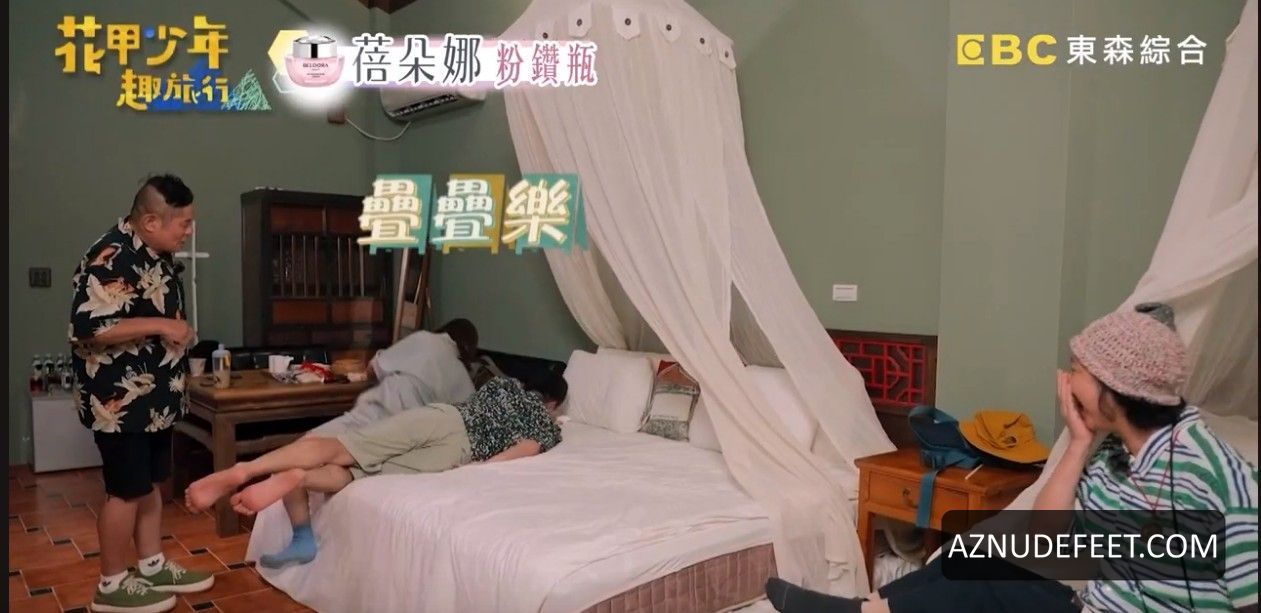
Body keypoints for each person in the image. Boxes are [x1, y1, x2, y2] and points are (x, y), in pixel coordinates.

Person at [765, 303, 1258, 613]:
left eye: (1078, 371)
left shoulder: (1217, 473)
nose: (1066, 382)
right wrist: (1078, 443)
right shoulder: (1111, 453)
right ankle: (870, 608)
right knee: (975, 555)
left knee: (983, 581)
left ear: (1115, 388)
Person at [184, 372, 568, 567]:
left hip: (446, 418)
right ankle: (302, 481)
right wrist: (478, 466)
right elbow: (522, 451)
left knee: (345, 448)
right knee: (357, 474)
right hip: (459, 452)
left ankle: (248, 471)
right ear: (553, 403)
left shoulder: (501, 385)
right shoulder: (546, 423)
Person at [68, 174, 215, 613]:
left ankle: (151, 565)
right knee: (125, 490)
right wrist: (163, 325)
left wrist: (175, 331)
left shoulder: (156, 252)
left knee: (151, 484)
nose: (188, 231)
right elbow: (89, 327)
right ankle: (111, 585)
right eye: (183, 223)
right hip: (120, 403)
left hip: (155, 400)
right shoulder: (111, 255)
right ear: (151, 221)